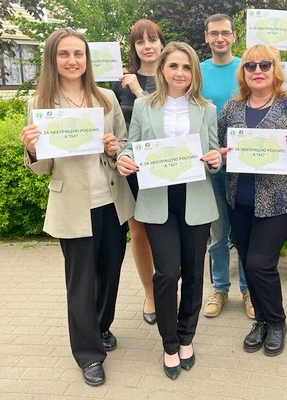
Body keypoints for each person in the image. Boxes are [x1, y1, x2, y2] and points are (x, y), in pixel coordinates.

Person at [19, 28, 134, 386]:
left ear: (87, 59)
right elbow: (43, 167)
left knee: (110, 274)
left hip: (111, 202)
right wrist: (32, 149)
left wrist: (115, 149)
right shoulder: (40, 103)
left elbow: (124, 145)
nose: (72, 61)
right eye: (64, 54)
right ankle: (88, 354)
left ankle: (101, 326)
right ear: (52, 59)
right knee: (81, 282)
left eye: (78, 54)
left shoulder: (106, 98)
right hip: (72, 205)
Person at [117, 42, 221, 380]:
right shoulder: (144, 105)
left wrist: (216, 159)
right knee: (165, 274)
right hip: (157, 199)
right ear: (162, 68)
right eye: (174, 66)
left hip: (195, 199)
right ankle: (169, 342)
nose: (180, 73)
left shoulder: (206, 109)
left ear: (194, 73)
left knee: (193, 272)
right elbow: (131, 145)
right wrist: (123, 158)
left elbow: (214, 151)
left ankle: (186, 337)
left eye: (186, 67)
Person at [218, 44, 287, 357]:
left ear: (275, 69)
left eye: (265, 65)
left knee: (260, 264)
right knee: (247, 262)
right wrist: (222, 155)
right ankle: (260, 321)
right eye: (250, 65)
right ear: (243, 72)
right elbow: (220, 145)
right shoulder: (231, 108)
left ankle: (277, 321)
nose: (257, 71)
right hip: (239, 201)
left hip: (278, 202)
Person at [112, 19, 165, 326]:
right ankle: (150, 293)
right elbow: (115, 125)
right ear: (133, 48)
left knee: (167, 232)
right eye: (140, 41)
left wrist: (138, 90)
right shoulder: (121, 82)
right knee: (140, 233)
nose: (147, 46)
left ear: (161, 43)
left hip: (166, 168)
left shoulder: (175, 77)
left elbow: (164, 121)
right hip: (133, 170)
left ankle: (168, 289)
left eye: (152, 39)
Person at [200, 13, 253, 320]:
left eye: (225, 33)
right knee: (218, 235)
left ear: (234, 36)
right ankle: (220, 288)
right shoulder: (198, 71)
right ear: (206, 37)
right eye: (213, 33)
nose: (219, 38)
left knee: (244, 234)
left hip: (245, 164)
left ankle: (248, 290)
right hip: (213, 164)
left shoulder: (248, 67)